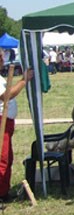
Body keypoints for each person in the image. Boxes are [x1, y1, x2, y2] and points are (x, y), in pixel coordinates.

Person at [1, 52, 34, 202]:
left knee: (7, 157)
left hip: (6, 122)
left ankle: (3, 190)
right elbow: (6, 95)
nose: (3, 60)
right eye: (1, 58)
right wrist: (23, 80)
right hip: (1, 121)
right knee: (2, 158)